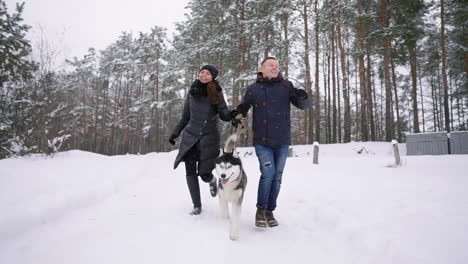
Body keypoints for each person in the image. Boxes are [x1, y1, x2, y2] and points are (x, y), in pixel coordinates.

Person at [231, 57, 310, 227]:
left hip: (282, 140)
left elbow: (302, 105)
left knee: (277, 177)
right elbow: (244, 107)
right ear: (262, 68)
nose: (275, 68)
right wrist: (237, 115)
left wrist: (303, 97)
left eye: (277, 65)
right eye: (271, 65)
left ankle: (270, 211)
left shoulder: (286, 86)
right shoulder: (253, 89)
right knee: (268, 173)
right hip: (263, 141)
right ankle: (260, 210)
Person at [169, 65, 233, 215]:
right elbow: (186, 116)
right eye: (202, 72)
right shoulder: (192, 92)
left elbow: (224, 114)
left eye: (208, 73)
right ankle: (196, 205)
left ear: (213, 77)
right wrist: (175, 133)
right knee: (190, 171)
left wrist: (233, 116)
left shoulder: (216, 92)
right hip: (191, 137)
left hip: (208, 138)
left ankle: (211, 180)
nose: (203, 75)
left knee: (204, 174)